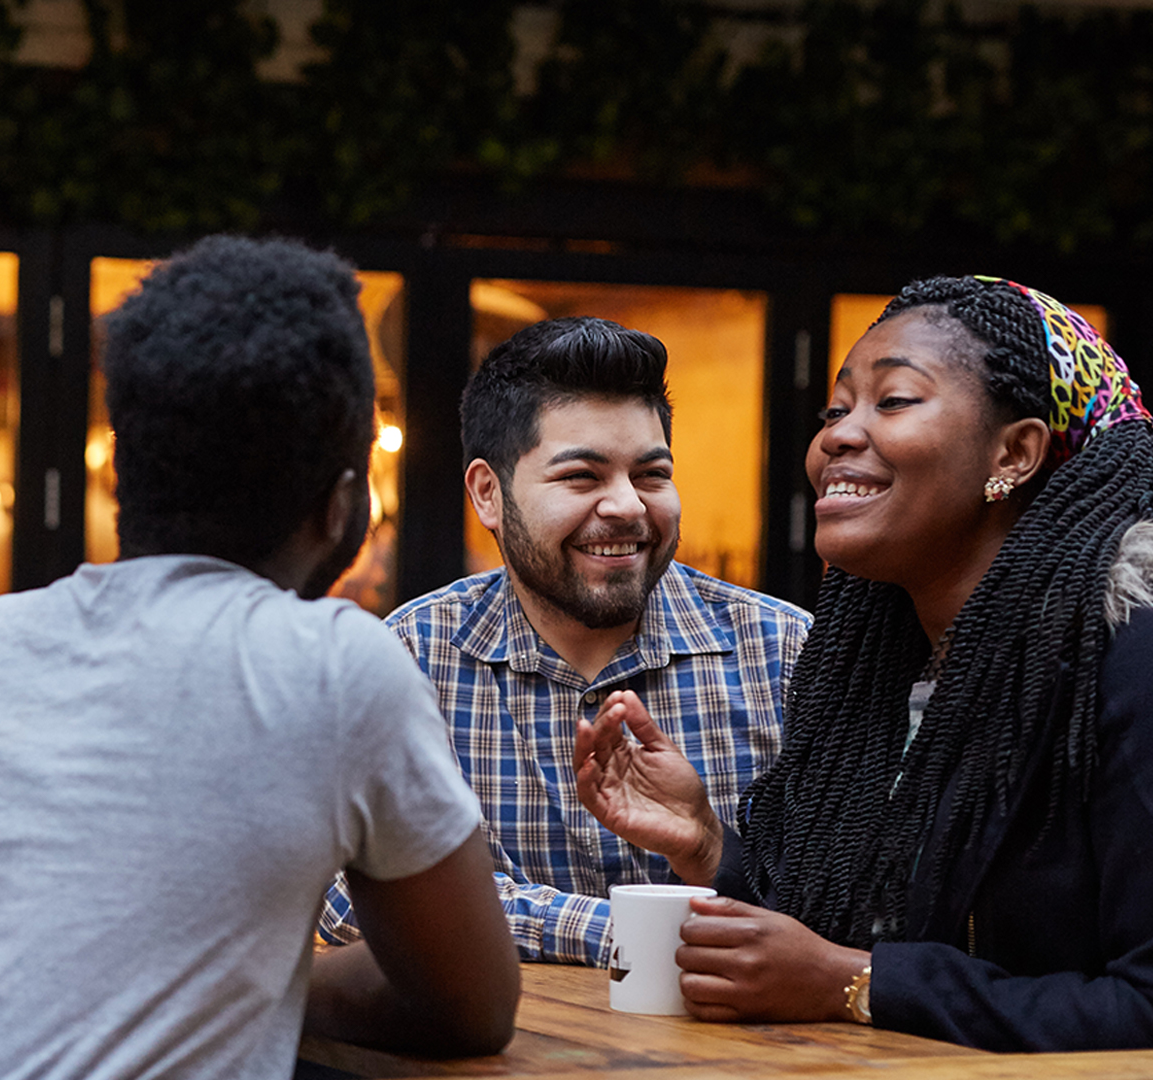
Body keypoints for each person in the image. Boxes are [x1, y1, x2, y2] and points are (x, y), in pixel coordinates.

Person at [0, 235, 519, 1080]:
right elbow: (470, 1005)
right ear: (343, 503)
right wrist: (262, 984)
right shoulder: (334, 666)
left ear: (120, 483)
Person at [576, 275, 1153, 1050]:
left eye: (892, 401)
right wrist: (706, 844)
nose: (837, 437)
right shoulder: (885, 663)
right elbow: (840, 928)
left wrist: (858, 984)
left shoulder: (1138, 651)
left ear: (1016, 452)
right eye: (836, 409)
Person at [320, 317, 810, 965]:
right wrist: (616, 931)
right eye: (582, 476)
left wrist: (707, 849)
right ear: (488, 495)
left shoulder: (785, 654)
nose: (629, 506)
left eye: (652, 475)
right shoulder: (410, 658)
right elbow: (345, 891)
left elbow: (855, 905)